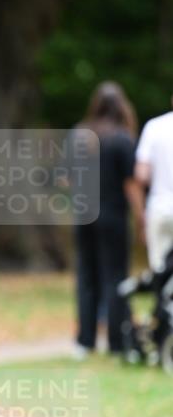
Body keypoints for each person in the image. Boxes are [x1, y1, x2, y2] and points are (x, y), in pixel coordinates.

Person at [72, 82, 142, 357]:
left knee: (87, 277)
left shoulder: (79, 135)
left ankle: (84, 341)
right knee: (115, 277)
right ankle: (116, 343)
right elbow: (131, 184)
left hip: (83, 214)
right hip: (112, 216)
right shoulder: (122, 139)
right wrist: (140, 216)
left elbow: (66, 176)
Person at [135, 95, 173, 273]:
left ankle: (162, 300)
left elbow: (141, 175)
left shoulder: (154, 126)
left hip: (159, 207)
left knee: (159, 269)